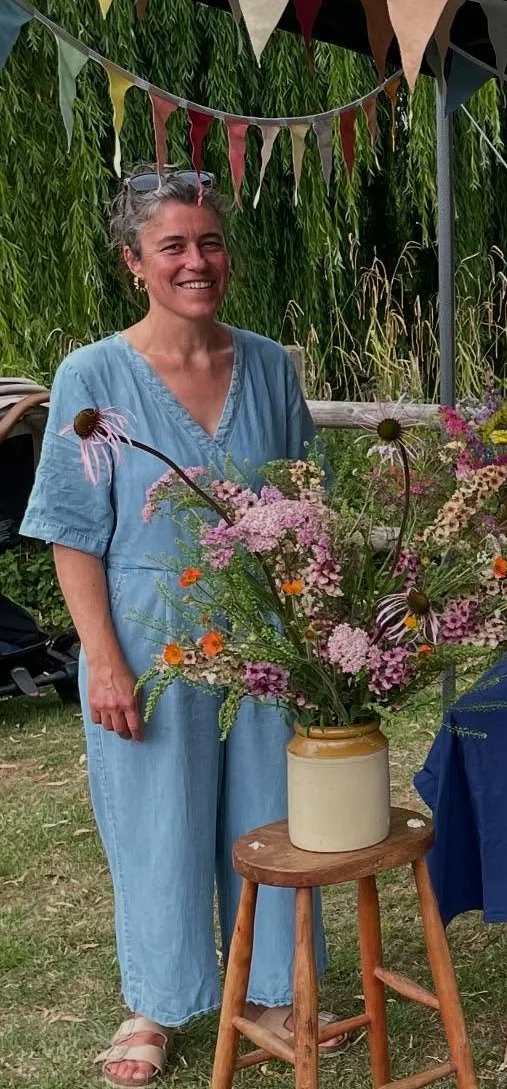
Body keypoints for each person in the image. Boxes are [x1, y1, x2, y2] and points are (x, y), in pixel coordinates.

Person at [21, 167, 344, 1085]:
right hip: (147, 635)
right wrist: (104, 663)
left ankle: (279, 989)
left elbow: (301, 503)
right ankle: (155, 1006)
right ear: (135, 263)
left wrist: (320, 631)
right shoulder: (94, 375)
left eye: (208, 242)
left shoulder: (271, 364)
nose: (196, 262)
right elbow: (74, 534)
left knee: (276, 816)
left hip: (264, 640)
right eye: (173, 246)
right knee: (157, 822)